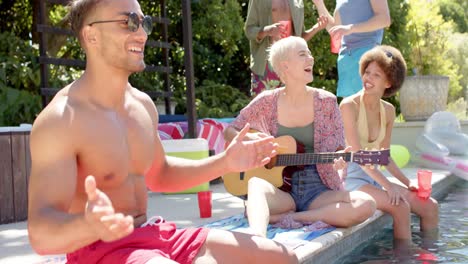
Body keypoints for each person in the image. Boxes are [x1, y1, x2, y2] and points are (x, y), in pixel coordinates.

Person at [27, 0, 299, 263]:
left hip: (152, 235)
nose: (142, 33)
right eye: (128, 22)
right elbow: (41, 235)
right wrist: (90, 225)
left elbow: (160, 174)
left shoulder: (142, 105)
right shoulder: (62, 120)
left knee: (279, 257)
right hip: (99, 252)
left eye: (143, 22)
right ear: (91, 35)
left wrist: (225, 162)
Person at [223, 36, 376, 238]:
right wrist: (254, 141)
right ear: (285, 66)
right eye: (303, 54)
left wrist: (340, 159)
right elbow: (230, 130)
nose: (311, 59)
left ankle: (296, 218)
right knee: (254, 185)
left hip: (317, 188)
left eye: (309, 54)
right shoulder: (267, 101)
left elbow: (338, 148)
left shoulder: (326, 102)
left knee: (366, 203)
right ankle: (258, 241)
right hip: (281, 190)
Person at [339, 45, 439, 242]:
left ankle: (430, 255)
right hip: (351, 180)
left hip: (374, 178)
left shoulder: (389, 111)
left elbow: (384, 157)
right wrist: (389, 186)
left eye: (376, 75)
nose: (368, 78)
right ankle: (406, 257)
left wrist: (408, 183)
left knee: (430, 206)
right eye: (367, 72)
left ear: (389, 82)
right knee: (401, 207)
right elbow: (358, 157)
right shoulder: (349, 106)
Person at [245, 0, 328, 97]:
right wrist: (266, 31)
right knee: (262, 109)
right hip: (266, 64)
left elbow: (299, 37)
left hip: (292, 65)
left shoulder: (297, 2)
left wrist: (316, 28)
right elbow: (249, 30)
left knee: (291, 108)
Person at [312, 0, 391, 98]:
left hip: (366, 55)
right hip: (346, 60)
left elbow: (384, 19)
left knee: (365, 108)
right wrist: (319, 4)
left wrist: (351, 28)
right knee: (349, 108)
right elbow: (336, 29)